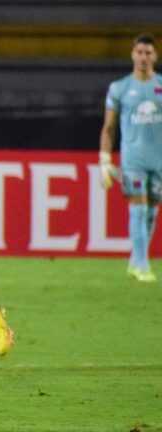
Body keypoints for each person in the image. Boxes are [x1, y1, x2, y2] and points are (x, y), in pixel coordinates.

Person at [99, 33, 162, 283]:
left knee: (152, 211)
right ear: (132, 55)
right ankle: (143, 265)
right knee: (138, 207)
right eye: (140, 52)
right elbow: (109, 127)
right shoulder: (120, 88)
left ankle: (135, 260)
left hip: (158, 161)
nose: (144, 57)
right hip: (132, 159)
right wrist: (105, 158)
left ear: (155, 56)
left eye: (148, 53)